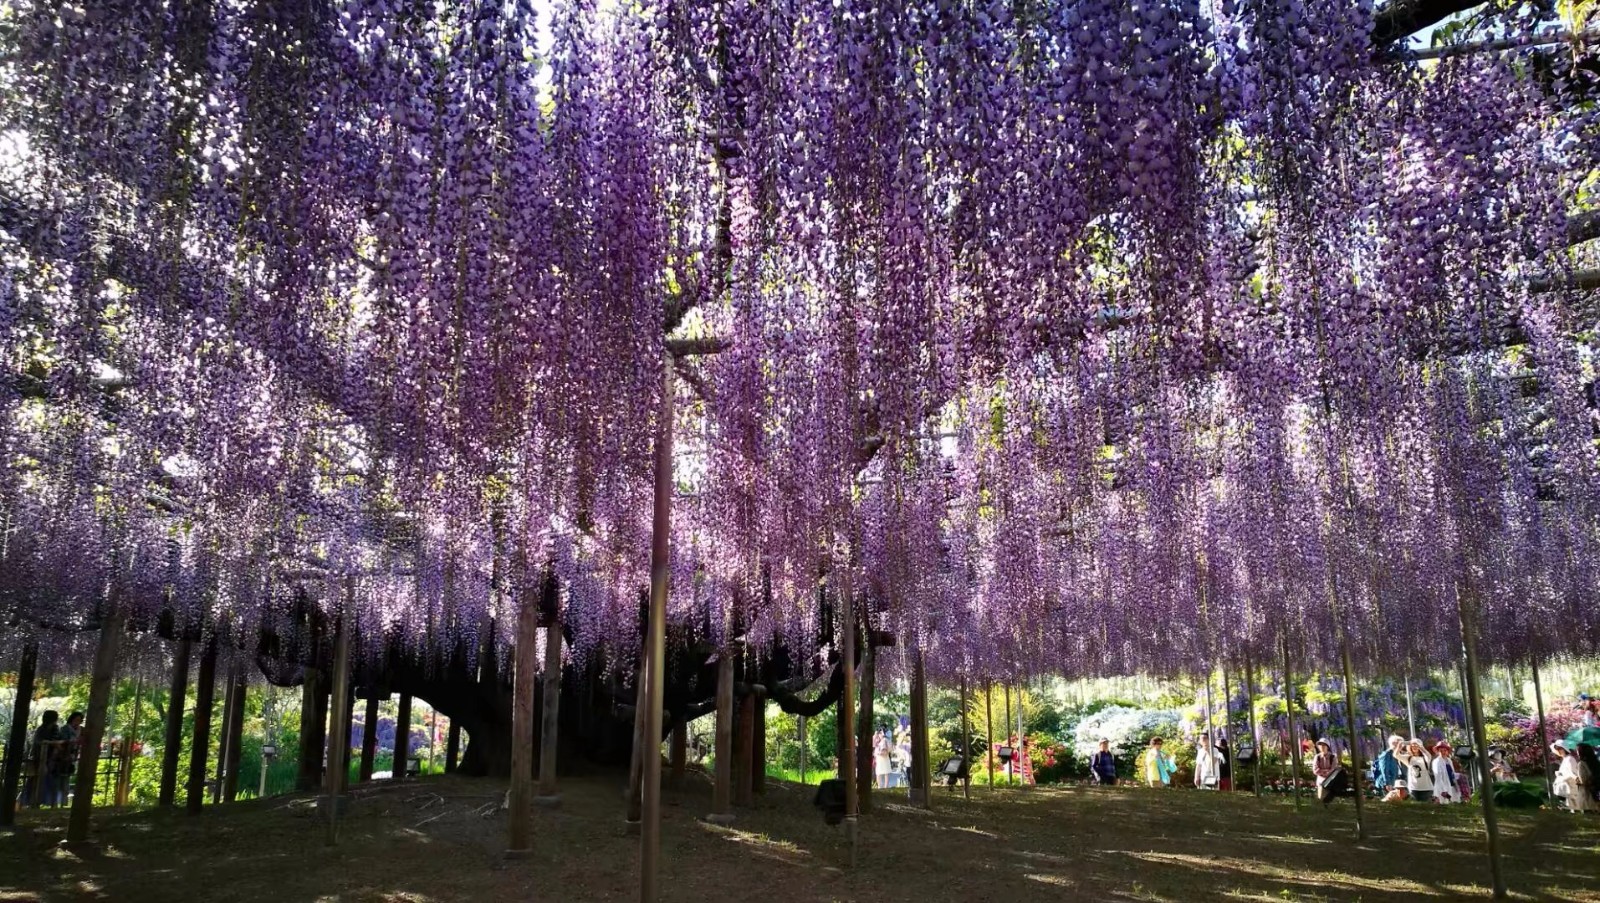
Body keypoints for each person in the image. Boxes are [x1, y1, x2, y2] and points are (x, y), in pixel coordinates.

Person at [24, 711, 62, 808]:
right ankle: (32, 801)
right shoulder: (41, 729)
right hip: (38, 757)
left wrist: (52, 744)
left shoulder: (55, 729)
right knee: (35, 779)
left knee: (47, 779)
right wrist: (49, 743)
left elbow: (56, 740)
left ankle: (47, 801)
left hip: (51, 758)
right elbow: (38, 742)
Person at [1552, 742, 1594, 812]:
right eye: (1557, 749)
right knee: (1569, 805)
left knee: (1574, 805)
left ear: (1564, 749)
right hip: (1564, 786)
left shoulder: (1570, 759)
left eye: (1560, 749)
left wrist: (1565, 775)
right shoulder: (1564, 759)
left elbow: (1573, 772)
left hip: (1570, 784)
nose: (1559, 751)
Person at [54, 711, 84, 807]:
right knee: (59, 779)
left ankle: (64, 802)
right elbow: (62, 741)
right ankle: (56, 802)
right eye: (76, 720)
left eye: (80, 720)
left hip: (73, 756)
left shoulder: (81, 730)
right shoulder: (65, 729)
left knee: (67, 779)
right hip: (62, 756)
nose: (77, 722)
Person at [1312, 739, 1346, 805]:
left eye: (1324, 745)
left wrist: (1323, 772)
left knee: (1326, 785)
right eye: (1320, 745)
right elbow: (1315, 770)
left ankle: (1326, 804)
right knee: (1321, 786)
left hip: (1330, 779)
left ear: (1327, 746)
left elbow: (1333, 770)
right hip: (1321, 779)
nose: (1322, 746)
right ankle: (1322, 804)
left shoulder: (1333, 757)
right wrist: (1326, 771)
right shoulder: (1317, 757)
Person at [1402, 739, 1434, 803]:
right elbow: (1396, 755)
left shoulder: (1425, 758)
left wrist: (1421, 747)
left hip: (1426, 788)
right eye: (1412, 746)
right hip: (1413, 788)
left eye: (1416, 745)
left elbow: (1428, 755)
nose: (1414, 747)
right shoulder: (1408, 758)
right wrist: (1400, 744)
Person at [1373, 734, 1404, 798]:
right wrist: (1387, 783)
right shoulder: (1386, 754)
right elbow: (1384, 770)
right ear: (1394, 744)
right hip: (1386, 783)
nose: (1402, 746)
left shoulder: (1398, 754)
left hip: (1395, 782)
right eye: (1400, 744)